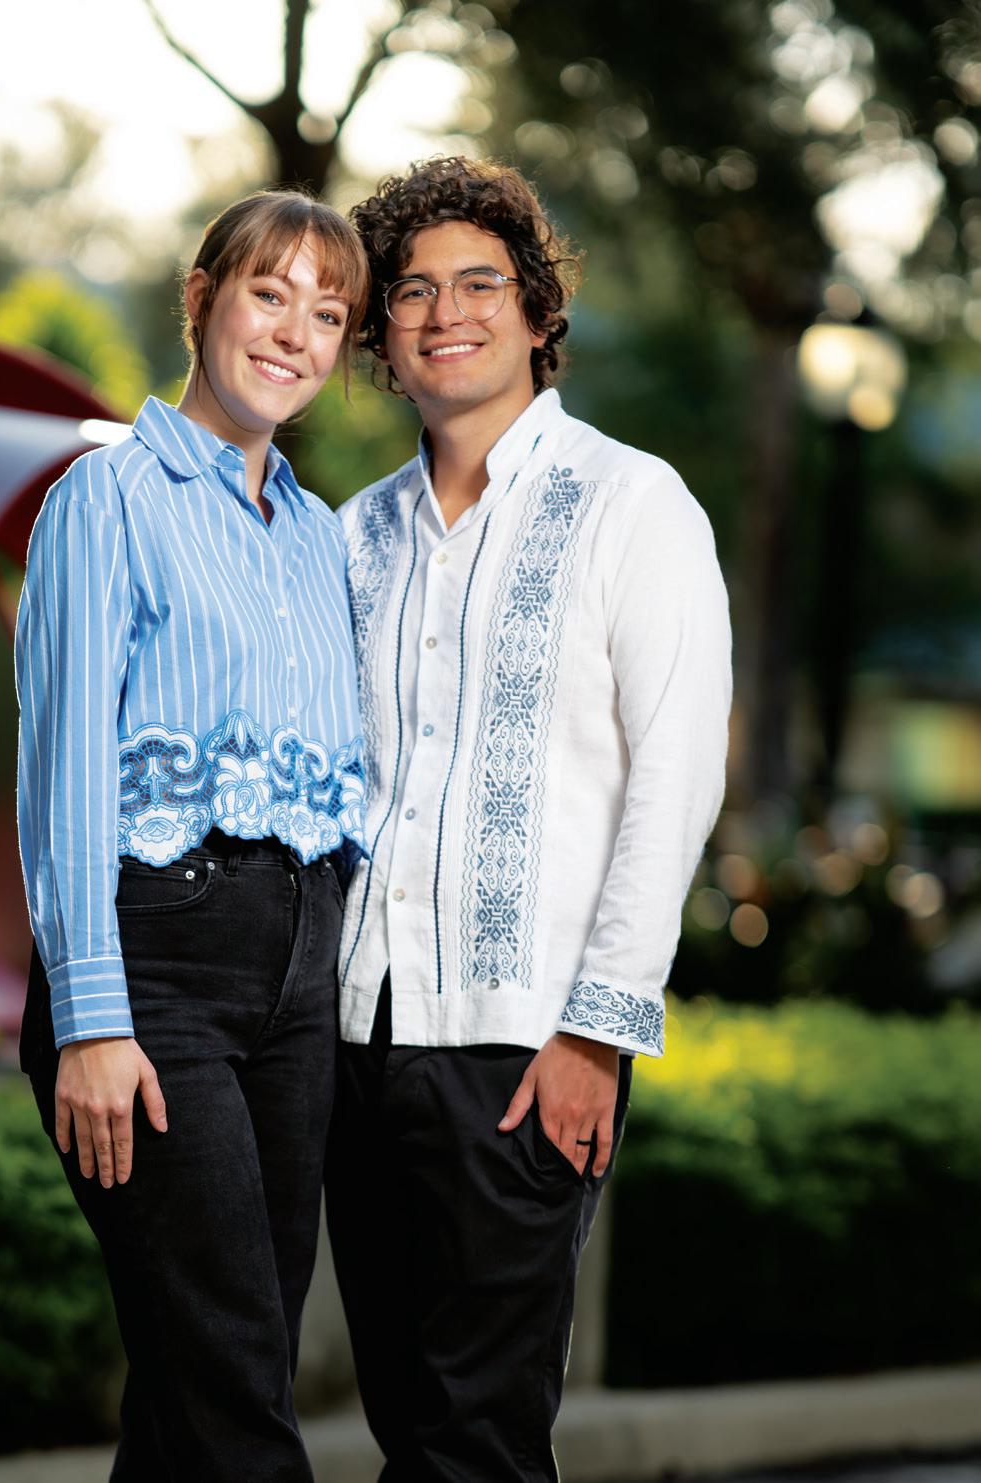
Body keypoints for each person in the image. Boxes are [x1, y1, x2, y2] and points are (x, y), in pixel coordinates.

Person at [326, 156, 732, 1482]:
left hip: (524, 1044)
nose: (446, 312)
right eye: (412, 291)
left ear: (539, 310)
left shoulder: (634, 504)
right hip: (355, 1041)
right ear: (383, 335)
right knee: (405, 1428)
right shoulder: (352, 537)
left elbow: (677, 777)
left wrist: (596, 1033)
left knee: (480, 1442)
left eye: (480, 284)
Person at [14, 189, 369, 1482]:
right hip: (156, 974)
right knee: (234, 1391)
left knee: (202, 1392)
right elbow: (62, 777)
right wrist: (92, 1020)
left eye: (327, 313)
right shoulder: (106, 499)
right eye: (269, 294)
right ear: (201, 298)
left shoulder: (321, 539)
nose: (294, 333)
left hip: (300, 984)